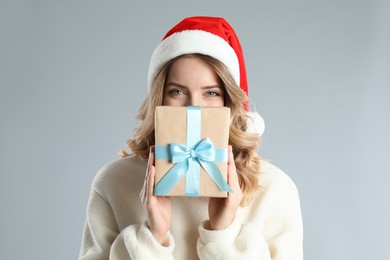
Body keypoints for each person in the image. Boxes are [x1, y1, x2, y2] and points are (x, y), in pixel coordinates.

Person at [79, 16, 303, 259]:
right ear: (159, 98)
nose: (193, 107)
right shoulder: (113, 183)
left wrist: (223, 234)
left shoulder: (274, 189)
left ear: (229, 100)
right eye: (177, 91)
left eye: (211, 93)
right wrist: (152, 236)